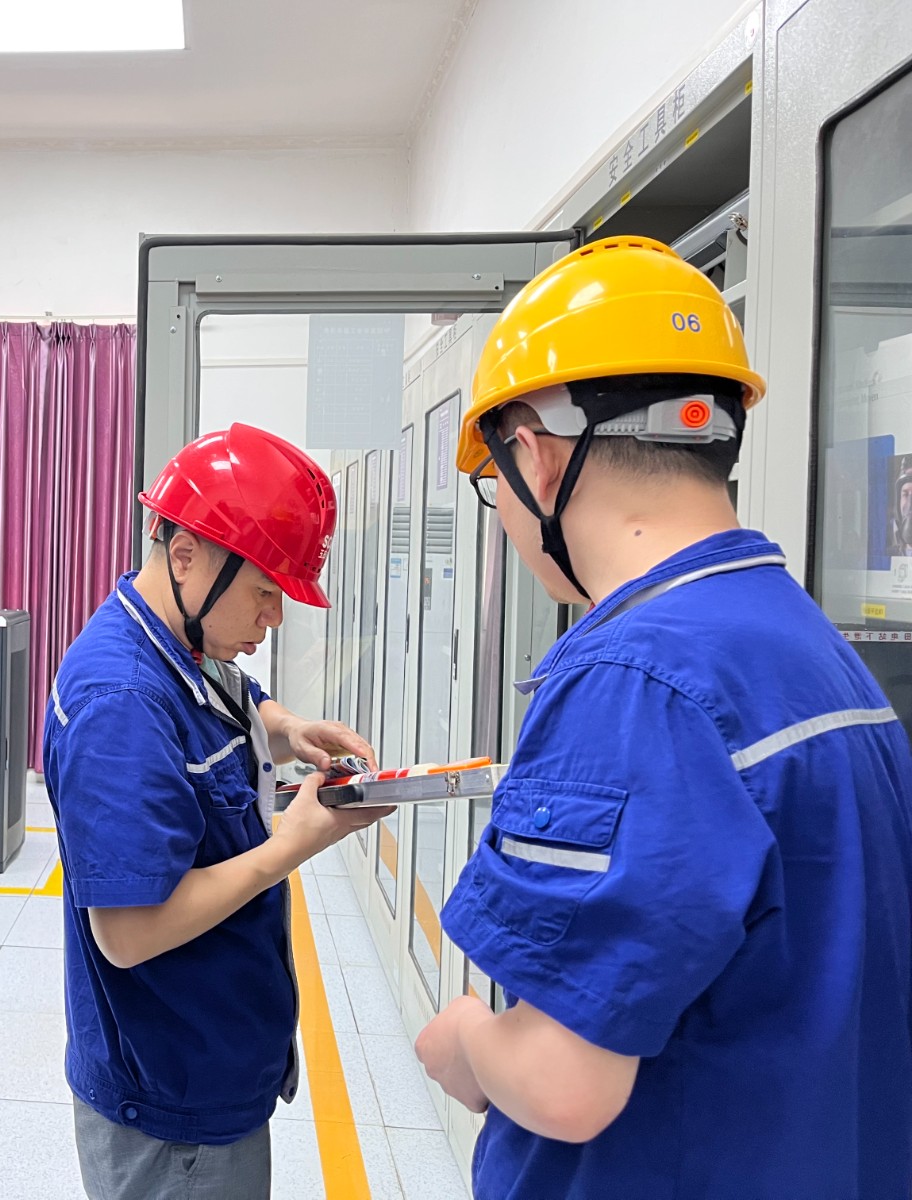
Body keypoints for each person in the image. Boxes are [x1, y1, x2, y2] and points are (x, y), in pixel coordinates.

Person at [413, 236, 912, 1198]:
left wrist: (468, 1040)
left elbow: (564, 1082)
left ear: (536, 457)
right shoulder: (812, 647)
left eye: (492, 482)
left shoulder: (631, 679)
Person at [45, 423, 384, 1200]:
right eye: (265, 591)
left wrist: (290, 729)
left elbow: (227, 695)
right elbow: (128, 933)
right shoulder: (121, 702)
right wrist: (292, 843)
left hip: (200, 1063)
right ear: (187, 555)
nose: (274, 616)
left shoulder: (177, 643)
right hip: (174, 1116)